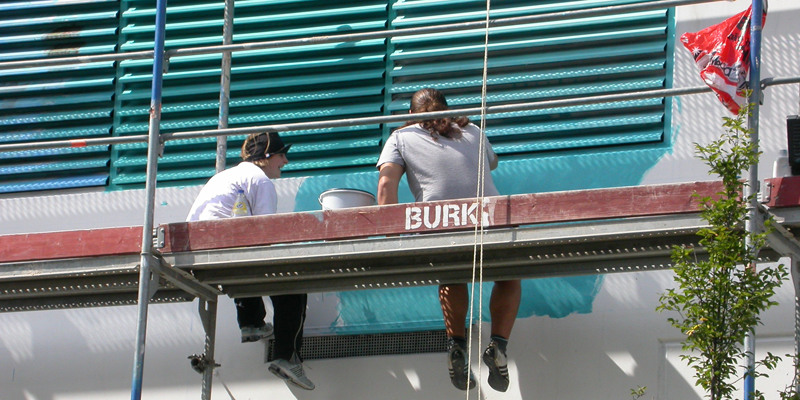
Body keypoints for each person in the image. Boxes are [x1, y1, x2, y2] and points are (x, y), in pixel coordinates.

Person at [376, 88, 521, 392]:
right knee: (509, 277)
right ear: (446, 109)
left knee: (452, 276)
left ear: (411, 115)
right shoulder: (473, 130)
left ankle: (457, 344)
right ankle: (498, 344)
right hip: (489, 220)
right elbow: (492, 163)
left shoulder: (400, 137)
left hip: (440, 224)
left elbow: (387, 184)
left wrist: (389, 235)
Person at [186, 131, 314, 390]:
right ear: (266, 156)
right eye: (282, 155)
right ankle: (287, 357)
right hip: (227, 252)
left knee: (247, 266)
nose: (285, 161)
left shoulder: (223, 177)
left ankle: (252, 324)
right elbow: (265, 234)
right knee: (292, 284)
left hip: (199, 255)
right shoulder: (260, 180)